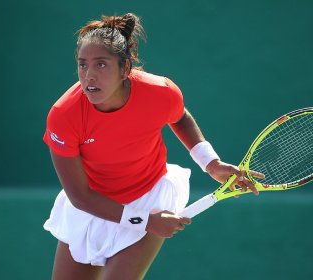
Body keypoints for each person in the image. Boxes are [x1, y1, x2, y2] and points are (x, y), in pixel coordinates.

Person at [43, 13, 263, 280]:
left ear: (125, 69)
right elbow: (80, 196)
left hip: (149, 198)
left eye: (101, 65)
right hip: (94, 206)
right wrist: (147, 222)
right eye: (82, 65)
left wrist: (211, 163)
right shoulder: (64, 114)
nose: (88, 76)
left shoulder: (160, 92)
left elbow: (180, 117)